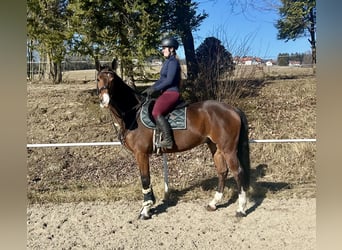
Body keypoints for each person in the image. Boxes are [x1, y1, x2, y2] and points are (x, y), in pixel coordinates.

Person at [143, 37, 181, 149]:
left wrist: (155, 89)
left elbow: (169, 80)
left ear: (172, 49)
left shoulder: (173, 62)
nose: (162, 50)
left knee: (156, 112)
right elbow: (161, 80)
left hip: (172, 93)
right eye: (163, 48)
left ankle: (169, 140)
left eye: (164, 48)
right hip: (165, 93)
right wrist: (151, 88)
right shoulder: (167, 62)